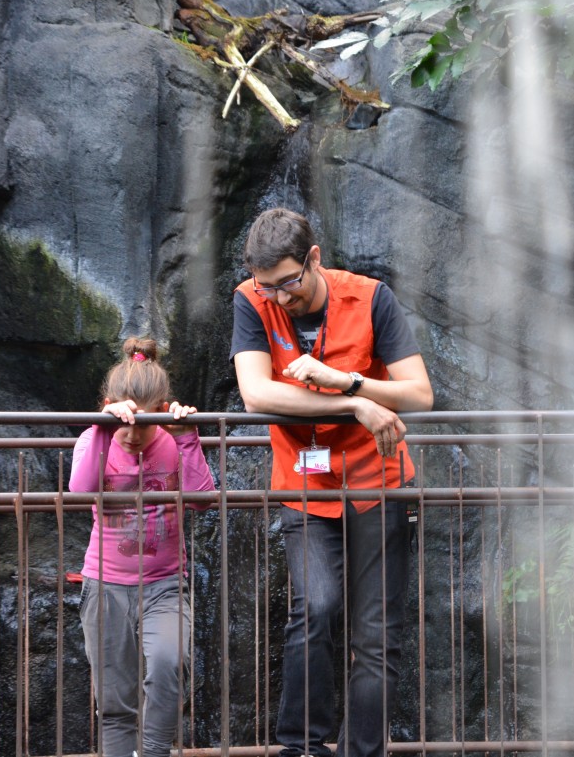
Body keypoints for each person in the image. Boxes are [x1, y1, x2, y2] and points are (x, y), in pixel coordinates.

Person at [230, 207, 433, 757]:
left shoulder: (370, 297)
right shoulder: (251, 300)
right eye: (267, 286)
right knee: (314, 610)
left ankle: (361, 752)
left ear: (314, 259)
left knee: (375, 633)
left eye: (288, 283)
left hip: (379, 483)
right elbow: (257, 394)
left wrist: (348, 380)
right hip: (305, 485)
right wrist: (356, 406)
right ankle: (301, 747)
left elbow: (418, 393)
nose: (278, 298)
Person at [70, 337, 215, 757]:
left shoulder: (173, 441)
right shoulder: (93, 438)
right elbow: (80, 493)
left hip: (165, 583)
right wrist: (101, 427)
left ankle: (153, 752)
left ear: (161, 409)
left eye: (144, 423)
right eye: (124, 423)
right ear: (108, 406)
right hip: (105, 583)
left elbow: (203, 499)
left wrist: (187, 437)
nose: (132, 435)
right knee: (115, 701)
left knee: (169, 663)